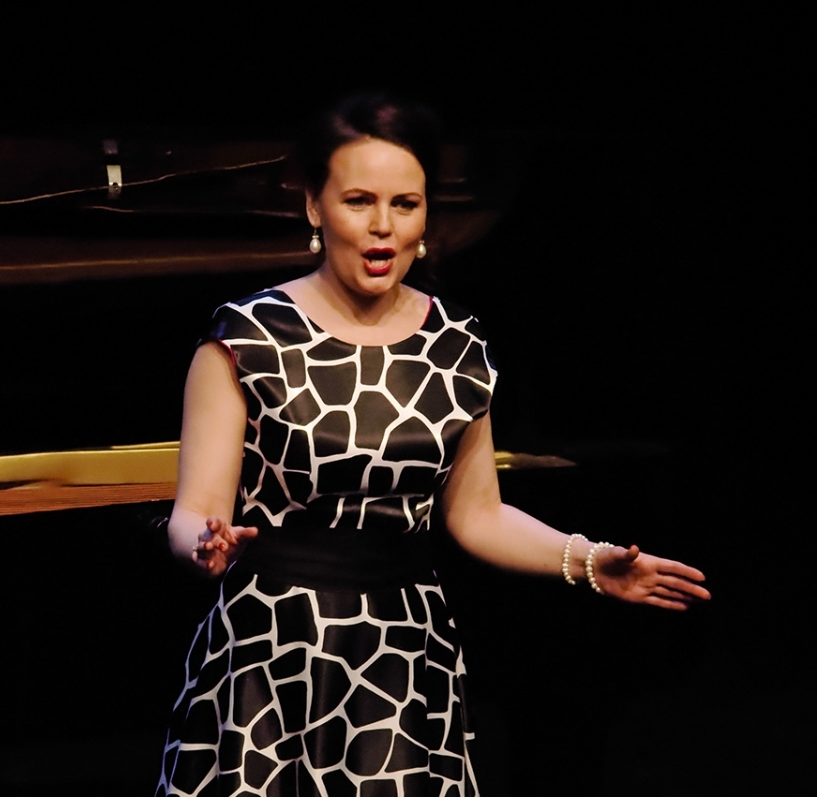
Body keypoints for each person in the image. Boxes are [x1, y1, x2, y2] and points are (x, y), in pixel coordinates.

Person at [156, 93, 711, 797]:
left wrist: (588, 562)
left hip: (402, 651)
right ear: (314, 206)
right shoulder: (247, 338)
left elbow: (477, 514)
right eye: (359, 201)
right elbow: (192, 511)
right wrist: (203, 544)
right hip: (273, 645)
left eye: (405, 204)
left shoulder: (456, 345)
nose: (383, 226)